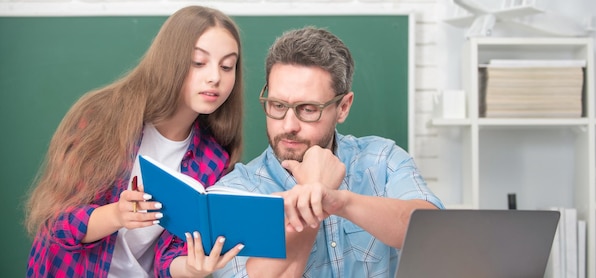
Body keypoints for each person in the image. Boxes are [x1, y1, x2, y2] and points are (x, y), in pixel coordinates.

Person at [24, 6, 245, 277]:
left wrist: (193, 267)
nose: (215, 77)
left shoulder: (214, 157)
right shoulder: (102, 117)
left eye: (227, 66)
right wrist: (116, 215)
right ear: (170, 60)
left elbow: (168, 258)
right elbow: (56, 223)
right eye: (198, 62)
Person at [212, 26, 445, 278]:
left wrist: (338, 201)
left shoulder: (382, 159)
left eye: (308, 109)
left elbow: (434, 233)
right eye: (278, 105)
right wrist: (312, 194)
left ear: (343, 107)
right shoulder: (236, 193)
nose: (289, 125)